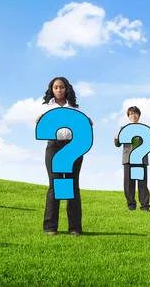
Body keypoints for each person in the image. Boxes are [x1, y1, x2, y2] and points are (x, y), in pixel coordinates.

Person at [35, 77, 92, 236]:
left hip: (73, 147)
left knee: (73, 186)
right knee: (55, 185)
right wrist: (39, 121)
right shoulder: (47, 107)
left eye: (61, 87)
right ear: (52, 89)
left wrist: (88, 122)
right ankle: (50, 227)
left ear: (66, 89)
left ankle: (75, 227)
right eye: (56, 87)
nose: (59, 90)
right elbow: (42, 126)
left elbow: (82, 126)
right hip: (54, 147)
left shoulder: (74, 108)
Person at [114, 106, 150, 212]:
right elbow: (117, 144)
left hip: (141, 159)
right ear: (128, 116)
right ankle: (131, 206)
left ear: (139, 115)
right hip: (128, 159)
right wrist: (116, 137)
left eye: (135, 113)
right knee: (129, 183)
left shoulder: (144, 129)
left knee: (142, 183)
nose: (133, 115)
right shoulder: (123, 128)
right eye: (131, 114)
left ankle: (145, 206)